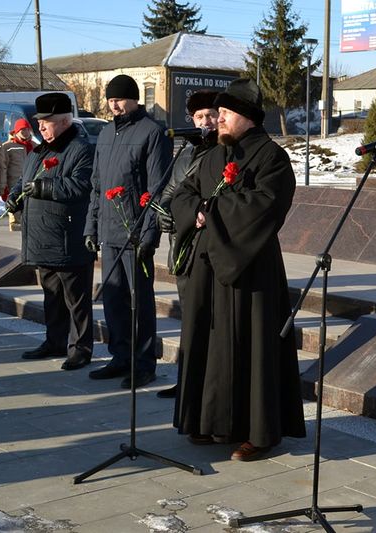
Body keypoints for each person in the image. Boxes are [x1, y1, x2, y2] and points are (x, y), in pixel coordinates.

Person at [170, 78, 306, 461]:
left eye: (225, 114)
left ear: (245, 117)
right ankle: (210, 421)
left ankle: (258, 432)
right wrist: (195, 209)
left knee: (253, 347)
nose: (218, 120)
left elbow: (265, 206)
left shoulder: (272, 157)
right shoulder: (213, 154)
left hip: (250, 270)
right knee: (208, 346)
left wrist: (211, 212)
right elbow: (183, 192)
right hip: (207, 270)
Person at [84, 74, 173, 389]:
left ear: (135, 99)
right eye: (110, 99)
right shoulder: (106, 134)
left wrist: (149, 234)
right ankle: (120, 357)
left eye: (119, 99)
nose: (114, 104)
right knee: (113, 299)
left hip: (135, 233)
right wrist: (91, 226)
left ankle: (144, 363)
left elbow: (157, 189)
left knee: (140, 301)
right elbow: (97, 186)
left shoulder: (152, 133)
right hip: (109, 233)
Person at [5, 93, 96, 371]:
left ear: (65, 121)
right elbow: (26, 178)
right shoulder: (40, 149)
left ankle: (80, 348)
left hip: (68, 236)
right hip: (43, 237)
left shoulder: (81, 149)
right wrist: (15, 195)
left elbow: (82, 185)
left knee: (76, 300)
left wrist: (46, 188)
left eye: (47, 122)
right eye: (39, 122)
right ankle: (54, 341)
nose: (41, 127)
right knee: (51, 295)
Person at [154, 89, 219, 399]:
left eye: (210, 116)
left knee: (208, 321)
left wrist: (184, 214)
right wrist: (164, 214)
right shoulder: (184, 152)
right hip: (182, 248)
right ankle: (186, 382)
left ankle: (205, 388)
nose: (205, 122)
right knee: (190, 320)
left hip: (207, 247)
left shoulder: (223, 152)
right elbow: (169, 191)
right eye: (199, 117)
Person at [1, 118, 34, 231]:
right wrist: (4, 188)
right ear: (16, 131)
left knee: (29, 220)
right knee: (15, 221)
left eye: (27, 129)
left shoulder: (35, 147)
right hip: (13, 188)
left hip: (30, 188)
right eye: (22, 130)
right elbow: (3, 168)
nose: (25, 132)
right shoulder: (7, 147)